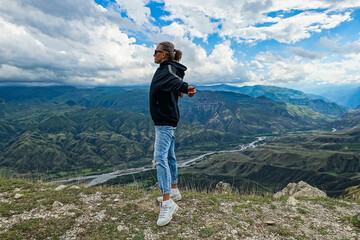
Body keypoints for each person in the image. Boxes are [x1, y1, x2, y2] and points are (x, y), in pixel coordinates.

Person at [149, 41, 196, 226]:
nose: (153, 55)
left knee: (159, 158)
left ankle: (167, 203)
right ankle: (174, 189)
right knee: (169, 156)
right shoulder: (168, 69)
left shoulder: (167, 70)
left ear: (165, 54)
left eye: (156, 52)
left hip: (164, 122)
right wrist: (180, 90)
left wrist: (186, 88)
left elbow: (175, 81)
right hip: (166, 120)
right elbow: (173, 84)